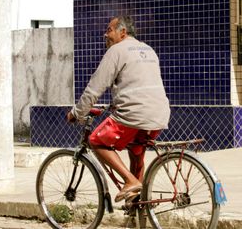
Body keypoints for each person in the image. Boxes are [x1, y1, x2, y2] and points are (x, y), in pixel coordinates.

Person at [66, 15, 170, 202]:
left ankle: (130, 181)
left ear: (123, 32)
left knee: (96, 141)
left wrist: (77, 112)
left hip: (134, 113)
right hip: (159, 114)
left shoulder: (117, 51)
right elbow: (138, 84)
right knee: (136, 150)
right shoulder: (148, 49)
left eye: (109, 30)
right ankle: (139, 205)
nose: (105, 34)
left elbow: (95, 87)